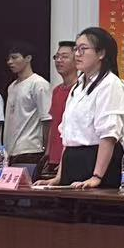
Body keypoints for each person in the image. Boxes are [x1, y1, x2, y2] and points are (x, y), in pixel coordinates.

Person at [38, 28, 124, 190]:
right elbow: (69, 137)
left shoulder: (110, 84)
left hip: (97, 161)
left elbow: (108, 135)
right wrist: (59, 176)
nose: (77, 54)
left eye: (83, 49)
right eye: (76, 49)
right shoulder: (78, 86)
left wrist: (97, 176)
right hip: (73, 160)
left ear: (101, 53)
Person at [2, 41, 50, 167]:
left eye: (14, 57)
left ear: (28, 58)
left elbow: (47, 119)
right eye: (8, 59)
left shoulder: (38, 83)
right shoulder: (11, 86)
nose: (10, 62)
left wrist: (47, 150)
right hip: (10, 151)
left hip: (31, 149)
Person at [42, 39, 76, 177]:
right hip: (53, 158)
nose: (59, 60)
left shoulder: (80, 90)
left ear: (77, 60)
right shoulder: (56, 90)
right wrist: (47, 154)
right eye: (57, 57)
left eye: (64, 57)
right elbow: (53, 124)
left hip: (70, 157)